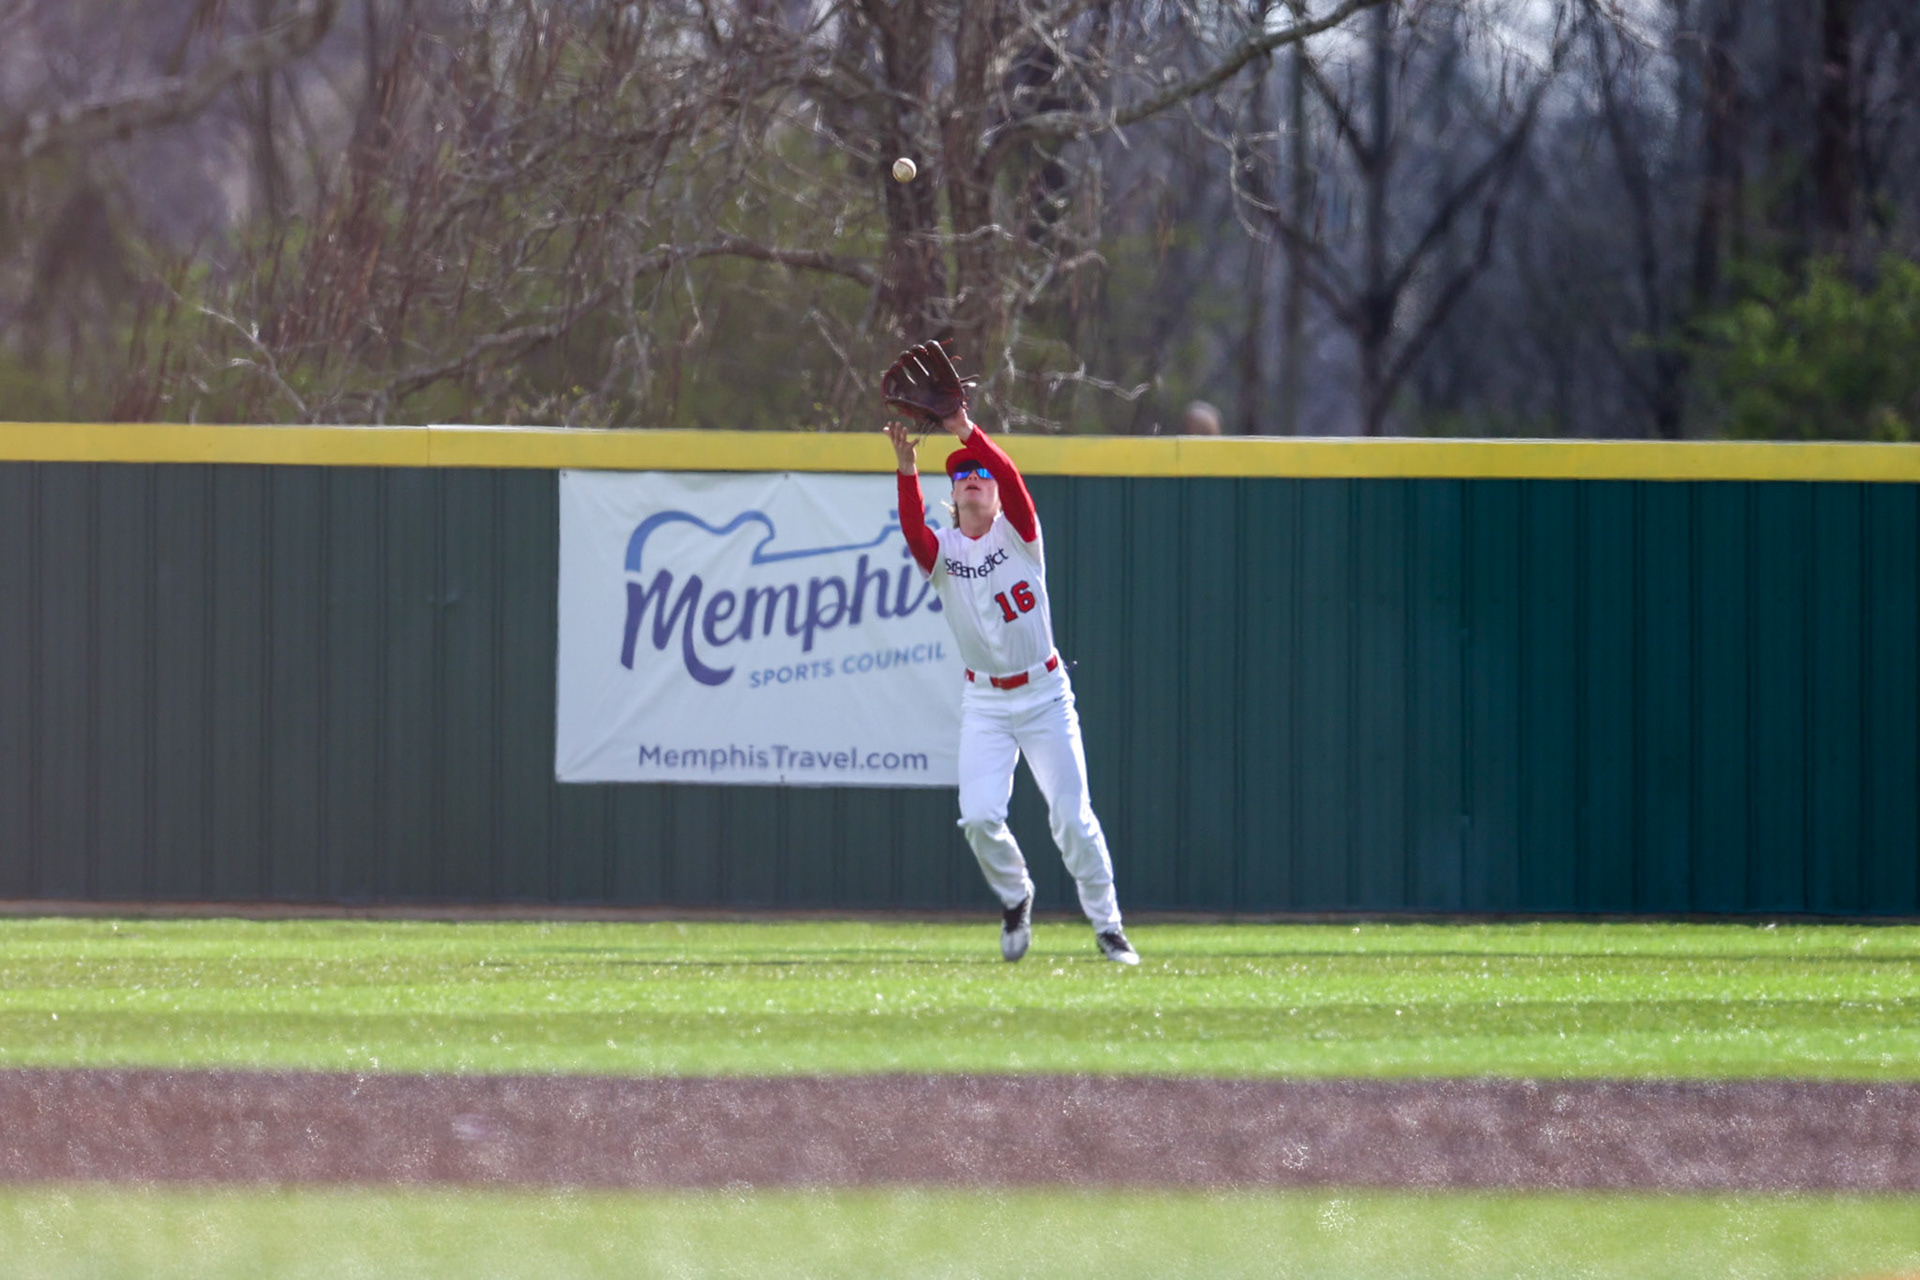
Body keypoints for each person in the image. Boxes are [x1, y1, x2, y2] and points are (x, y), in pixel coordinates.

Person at [880, 344, 1137, 966]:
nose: (973, 477)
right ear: (953, 492)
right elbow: (913, 531)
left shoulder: (1021, 536)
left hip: (1045, 695)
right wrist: (906, 468)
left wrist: (963, 429)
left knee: (1073, 821)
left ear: (995, 491)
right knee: (977, 818)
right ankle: (1016, 894)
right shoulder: (943, 553)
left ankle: (1108, 927)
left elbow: (1014, 479)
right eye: (963, 473)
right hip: (986, 703)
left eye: (981, 473)